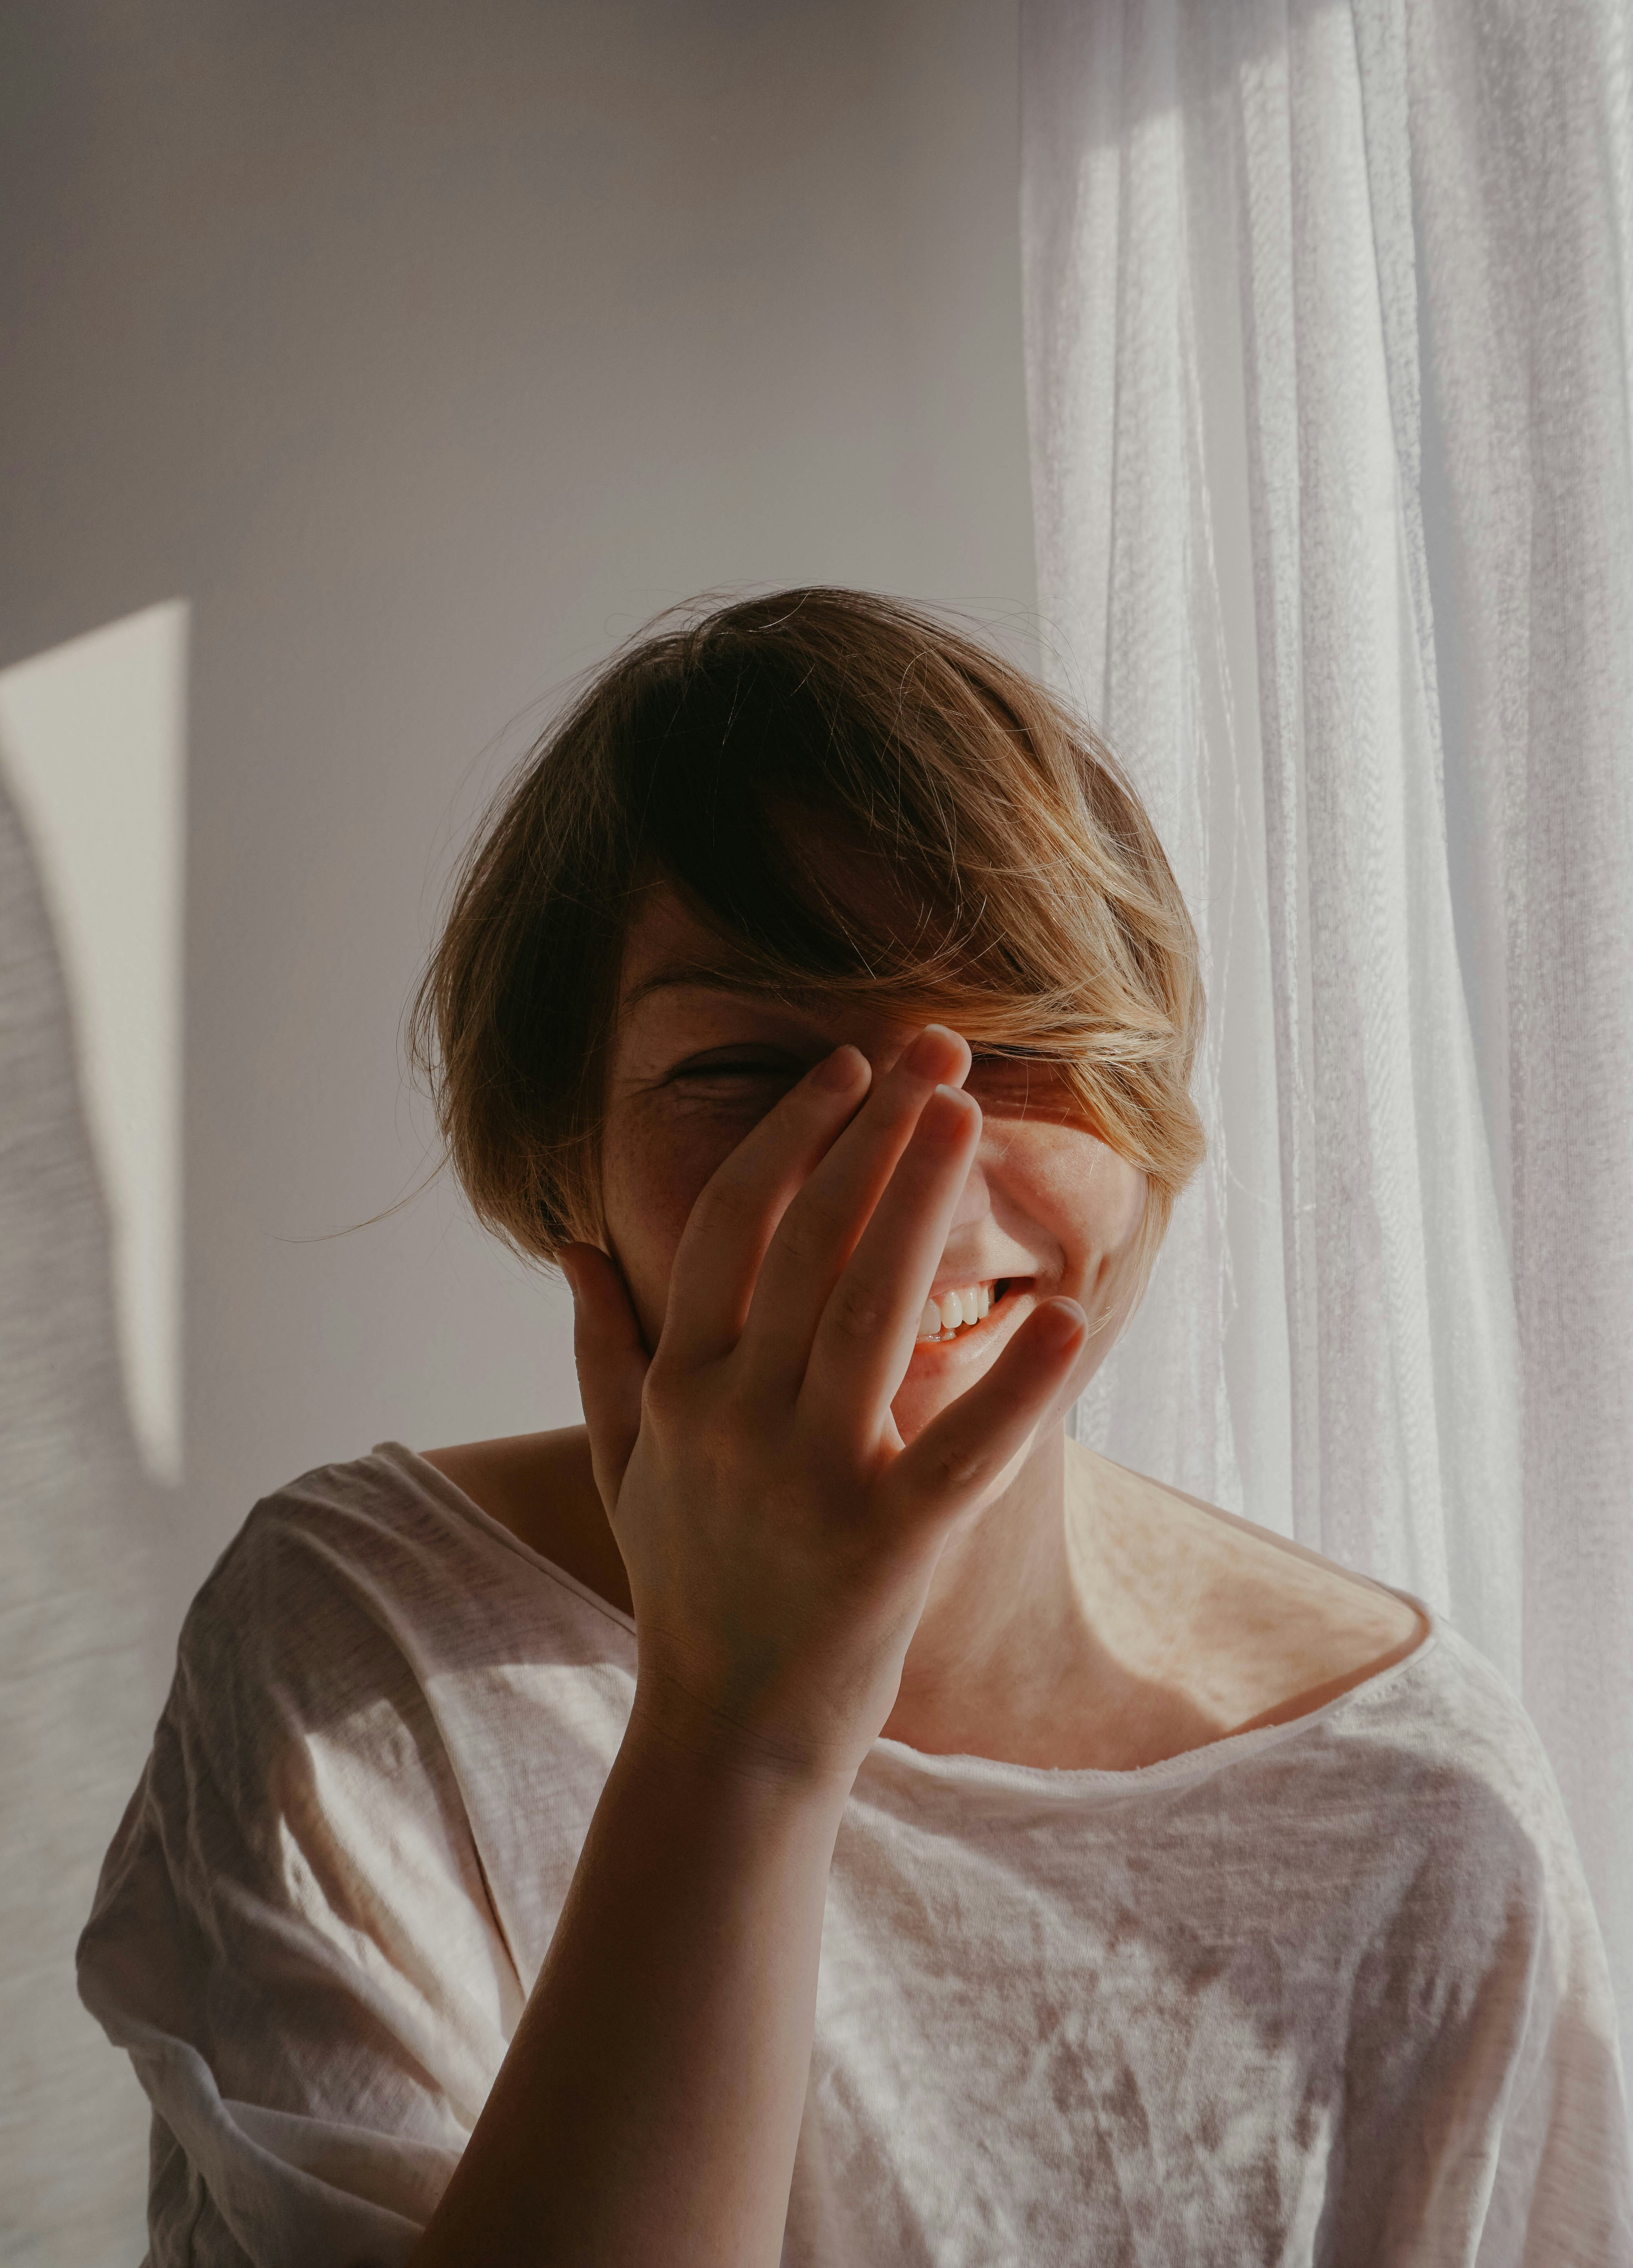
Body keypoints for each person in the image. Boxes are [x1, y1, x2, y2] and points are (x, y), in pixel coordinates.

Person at [78, 590, 1631, 2265]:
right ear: (561, 1156)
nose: (913, 1176)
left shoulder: (1409, 1800)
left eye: (1025, 1052)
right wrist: (739, 1727)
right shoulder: (364, 1653)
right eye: (751, 1067)